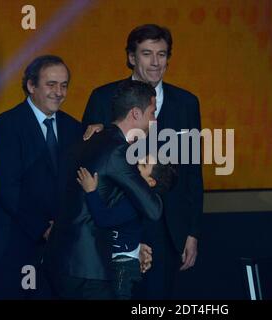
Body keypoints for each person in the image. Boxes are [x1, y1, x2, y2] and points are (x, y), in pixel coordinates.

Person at [82, 23, 203, 299]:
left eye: (161, 54)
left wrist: (192, 231)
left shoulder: (186, 103)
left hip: (166, 226)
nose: (155, 62)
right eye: (147, 54)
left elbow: (192, 172)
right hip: (115, 227)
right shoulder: (102, 98)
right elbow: (87, 163)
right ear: (131, 58)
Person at [0, 55, 83, 299]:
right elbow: (8, 187)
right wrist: (44, 227)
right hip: (9, 250)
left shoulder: (74, 128)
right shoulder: (7, 125)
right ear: (31, 86)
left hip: (55, 255)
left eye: (64, 85)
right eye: (51, 84)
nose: (59, 92)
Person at [44, 80, 163, 299]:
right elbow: (153, 209)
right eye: (152, 113)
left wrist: (135, 247)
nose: (154, 121)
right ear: (136, 114)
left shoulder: (89, 139)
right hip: (88, 268)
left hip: (59, 261)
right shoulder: (117, 152)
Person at [76, 156, 178, 299]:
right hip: (118, 260)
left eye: (144, 165)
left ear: (150, 182)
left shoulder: (135, 203)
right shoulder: (133, 195)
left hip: (122, 266)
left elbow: (104, 219)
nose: (138, 162)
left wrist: (91, 192)